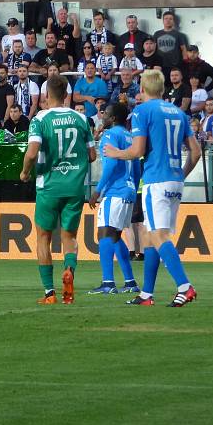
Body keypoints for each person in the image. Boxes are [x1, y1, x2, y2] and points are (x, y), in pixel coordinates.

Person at [104, 69, 201, 307]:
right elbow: (196, 151)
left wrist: (116, 153)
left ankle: (184, 286)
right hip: (175, 180)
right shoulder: (179, 112)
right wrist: (181, 175)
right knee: (150, 237)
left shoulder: (142, 111)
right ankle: (147, 294)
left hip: (156, 179)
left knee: (158, 235)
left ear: (143, 89)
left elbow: (137, 151)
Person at [20, 74, 95, 305]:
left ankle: (49, 293)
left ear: (46, 95)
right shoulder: (81, 119)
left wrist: (24, 172)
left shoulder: (40, 119)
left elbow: (32, 153)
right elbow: (92, 155)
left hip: (48, 185)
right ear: (66, 95)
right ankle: (69, 270)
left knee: (43, 237)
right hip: (74, 187)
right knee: (69, 237)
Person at [88, 102, 141, 295]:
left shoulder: (109, 135)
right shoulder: (131, 137)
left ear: (114, 118)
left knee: (104, 235)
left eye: (106, 114)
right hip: (127, 191)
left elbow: (109, 166)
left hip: (115, 192)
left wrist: (98, 190)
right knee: (116, 236)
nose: (102, 116)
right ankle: (130, 282)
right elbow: (136, 169)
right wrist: (133, 193)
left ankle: (108, 283)